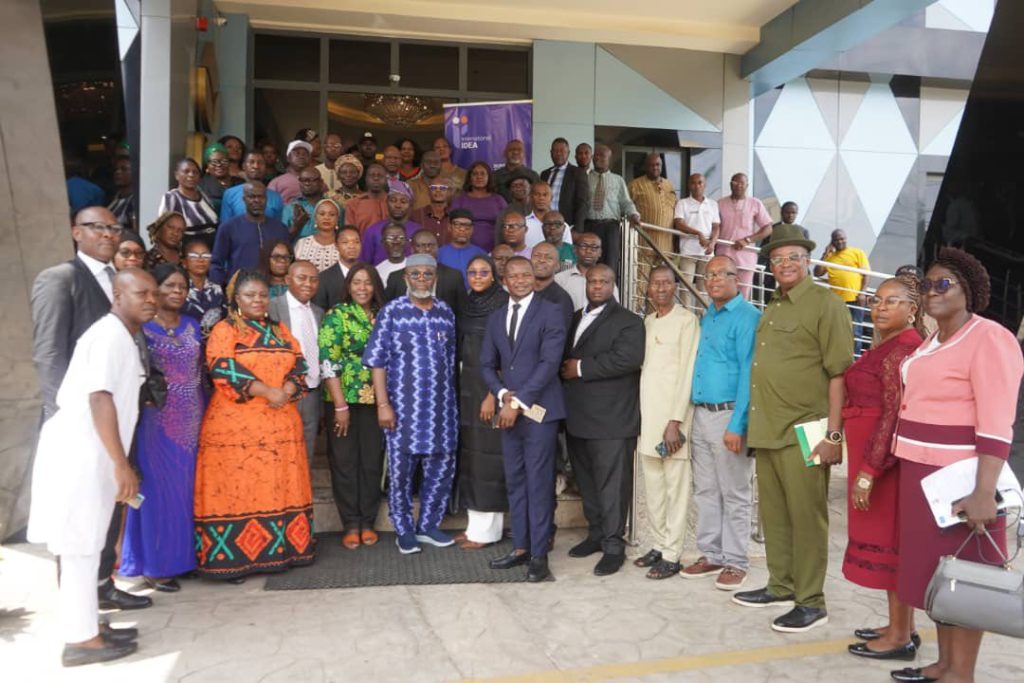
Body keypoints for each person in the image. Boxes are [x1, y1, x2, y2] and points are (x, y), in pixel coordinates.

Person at [888, 248, 1023, 683]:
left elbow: (997, 421)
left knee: (965, 577)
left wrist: (985, 492)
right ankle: (944, 663)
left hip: (962, 481)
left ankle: (960, 673)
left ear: (970, 290)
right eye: (926, 284)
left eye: (943, 283)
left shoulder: (989, 338)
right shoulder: (933, 339)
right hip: (922, 477)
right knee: (938, 575)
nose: (932, 291)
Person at [28, 268, 156, 666]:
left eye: (154, 293)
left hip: (95, 453)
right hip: (84, 454)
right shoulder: (107, 336)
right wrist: (122, 464)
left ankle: (89, 626)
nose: (150, 300)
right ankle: (82, 640)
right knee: (81, 548)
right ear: (118, 295)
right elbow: (99, 398)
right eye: (141, 293)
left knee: (88, 543)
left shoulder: (121, 335)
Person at [733, 224, 853, 633]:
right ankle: (781, 584)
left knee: (807, 517)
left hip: (809, 430)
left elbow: (839, 374)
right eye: (778, 258)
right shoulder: (775, 305)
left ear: (807, 261)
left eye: (793, 257)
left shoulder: (826, 304)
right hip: (769, 429)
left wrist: (834, 436)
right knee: (775, 515)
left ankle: (811, 600)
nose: (785, 264)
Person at [193, 269, 316, 580]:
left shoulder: (281, 331)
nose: (258, 300)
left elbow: (299, 363)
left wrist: (287, 389)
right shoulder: (224, 330)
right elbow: (222, 367)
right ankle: (233, 559)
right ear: (236, 299)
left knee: (278, 486)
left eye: (262, 295)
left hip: (281, 426)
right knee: (238, 488)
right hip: (236, 430)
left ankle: (282, 550)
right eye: (250, 295)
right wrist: (267, 391)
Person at [842, 275, 924, 661]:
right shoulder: (890, 345)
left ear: (912, 309)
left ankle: (899, 637)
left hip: (884, 465)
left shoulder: (903, 350)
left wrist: (868, 471)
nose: (880, 307)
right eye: (876, 300)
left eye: (892, 301)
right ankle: (901, 625)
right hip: (871, 455)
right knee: (890, 545)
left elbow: (893, 415)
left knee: (892, 547)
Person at [363, 254, 458, 554]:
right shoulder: (392, 312)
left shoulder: (446, 312)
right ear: (405, 278)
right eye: (415, 274)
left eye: (427, 274)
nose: (421, 279)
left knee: (441, 468)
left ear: (435, 278)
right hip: (402, 410)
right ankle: (403, 529)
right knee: (401, 472)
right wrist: (383, 405)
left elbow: (452, 360)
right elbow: (376, 362)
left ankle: (429, 525)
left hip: (442, 410)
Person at [480, 257, 568, 582]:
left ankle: (539, 554)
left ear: (534, 278)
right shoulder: (496, 317)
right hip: (510, 411)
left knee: (539, 481)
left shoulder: (551, 311)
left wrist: (516, 402)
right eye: (513, 275)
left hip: (539, 412)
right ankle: (520, 547)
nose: (519, 280)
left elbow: (549, 363)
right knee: (515, 479)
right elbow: (487, 364)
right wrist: (503, 395)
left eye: (525, 274)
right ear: (504, 280)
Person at [120, 264, 203, 592]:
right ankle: (155, 566)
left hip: (193, 417)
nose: (177, 292)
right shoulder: (140, 328)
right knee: (156, 493)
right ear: (155, 289)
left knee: (185, 492)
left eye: (182, 287)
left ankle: (182, 560)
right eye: (170, 285)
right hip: (157, 421)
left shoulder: (193, 325)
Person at [561, 264, 645, 576]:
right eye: (592, 281)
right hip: (578, 417)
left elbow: (627, 359)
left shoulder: (628, 321)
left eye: (604, 282)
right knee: (587, 482)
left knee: (612, 486)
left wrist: (580, 368)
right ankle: (596, 534)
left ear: (614, 285)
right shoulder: (574, 318)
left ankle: (613, 545)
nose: (597, 286)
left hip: (611, 420)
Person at [683, 256, 761, 589]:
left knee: (735, 492)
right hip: (701, 414)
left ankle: (736, 560)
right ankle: (712, 554)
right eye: (708, 274)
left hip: (729, 415)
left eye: (721, 274)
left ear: (737, 279)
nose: (713, 280)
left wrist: (738, 424)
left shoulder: (748, 317)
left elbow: (749, 373)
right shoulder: (708, 315)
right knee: (705, 490)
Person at [634, 265, 700, 580]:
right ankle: (659, 544)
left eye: (666, 283)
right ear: (647, 288)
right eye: (655, 283)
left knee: (676, 488)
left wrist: (675, 421)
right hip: (648, 419)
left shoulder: (687, 322)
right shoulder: (646, 322)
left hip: (672, 422)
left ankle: (673, 553)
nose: (660, 288)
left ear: (675, 287)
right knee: (654, 487)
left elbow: (687, 373)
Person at [319, 263, 386, 550]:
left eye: (367, 283)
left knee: (371, 462)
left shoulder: (384, 316)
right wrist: (340, 406)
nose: (362, 288)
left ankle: (368, 521)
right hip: (343, 401)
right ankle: (350, 523)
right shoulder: (337, 314)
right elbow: (328, 362)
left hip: (377, 401)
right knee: (345, 462)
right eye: (356, 282)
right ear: (348, 286)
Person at [455, 255, 510, 550]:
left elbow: (505, 353)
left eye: (483, 272)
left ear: (493, 275)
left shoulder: (502, 304)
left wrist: (493, 394)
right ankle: (474, 526)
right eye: (472, 272)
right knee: (472, 458)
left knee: (489, 460)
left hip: (489, 391)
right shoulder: (467, 303)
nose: (477, 277)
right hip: (467, 389)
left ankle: (488, 532)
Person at [268, 260, 324, 465]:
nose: (308, 284)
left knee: (306, 445)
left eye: (313, 279)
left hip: (312, 390)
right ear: (287, 280)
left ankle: (302, 493)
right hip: (282, 391)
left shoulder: (318, 312)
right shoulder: (272, 309)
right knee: (279, 446)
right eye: (302, 278)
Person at [209, 181, 289, 285]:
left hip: (273, 290)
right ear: (244, 199)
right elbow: (216, 263)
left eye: (261, 197)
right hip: (238, 288)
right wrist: (220, 290)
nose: (257, 200)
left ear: (266, 199)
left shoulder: (280, 228)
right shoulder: (229, 227)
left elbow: (287, 260)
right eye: (252, 197)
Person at [583, 144, 640, 278]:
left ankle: (610, 296)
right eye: (595, 155)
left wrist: (634, 214)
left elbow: (626, 202)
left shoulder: (618, 180)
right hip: (589, 226)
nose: (598, 158)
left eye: (602, 155)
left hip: (610, 228)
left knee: (610, 264)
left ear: (609, 158)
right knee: (589, 262)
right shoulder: (584, 178)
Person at [716, 173, 773, 299]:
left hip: (746, 258)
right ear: (730, 184)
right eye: (735, 182)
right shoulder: (720, 203)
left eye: (742, 183)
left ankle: (739, 319)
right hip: (724, 256)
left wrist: (748, 240)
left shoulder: (755, 203)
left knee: (742, 296)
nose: (738, 186)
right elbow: (714, 227)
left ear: (747, 185)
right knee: (723, 293)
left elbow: (768, 228)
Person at [813, 229, 870, 354]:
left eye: (842, 238)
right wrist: (825, 253)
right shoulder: (830, 257)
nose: (840, 241)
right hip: (837, 301)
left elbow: (866, 274)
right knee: (836, 331)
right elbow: (817, 272)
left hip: (855, 299)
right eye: (837, 239)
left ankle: (854, 361)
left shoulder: (857, 252)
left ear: (846, 238)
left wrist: (863, 293)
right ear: (832, 241)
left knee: (855, 331)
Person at [383, 229, 467, 313]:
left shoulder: (454, 276)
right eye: (422, 245)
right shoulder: (395, 278)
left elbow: (462, 312)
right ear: (412, 249)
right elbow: (386, 309)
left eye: (431, 245)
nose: (427, 249)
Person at [673, 173, 721, 306]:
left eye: (700, 183)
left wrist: (713, 243)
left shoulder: (713, 204)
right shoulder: (682, 203)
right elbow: (679, 223)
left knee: (704, 290)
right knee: (685, 288)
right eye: (693, 183)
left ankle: (702, 320)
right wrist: (698, 234)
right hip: (688, 252)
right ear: (689, 185)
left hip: (706, 253)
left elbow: (716, 226)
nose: (697, 186)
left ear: (705, 185)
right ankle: (687, 319)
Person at [158, 158, 219, 247]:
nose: (191, 175)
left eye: (195, 172)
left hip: (210, 251)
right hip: (187, 253)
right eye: (186, 171)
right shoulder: (171, 197)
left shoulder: (204, 196)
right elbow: (163, 230)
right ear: (176, 175)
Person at [359, 180, 421, 265]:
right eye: (393, 200)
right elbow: (363, 263)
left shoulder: (418, 231)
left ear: (410, 204)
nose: (398, 205)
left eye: (403, 202)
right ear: (387, 202)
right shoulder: (373, 231)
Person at [627, 153, 677, 257]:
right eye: (651, 165)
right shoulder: (635, 185)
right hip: (644, 246)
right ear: (645, 167)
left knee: (664, 273)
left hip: (665, 248)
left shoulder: (669, 185)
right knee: (643, 273)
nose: (655, 167)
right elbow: (626, 207)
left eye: (657, 164)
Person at [451, 161, 508, 252]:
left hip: (494, 251)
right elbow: (452, 227)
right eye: (475, 174)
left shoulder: (498, 200)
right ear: (470, 178)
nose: (479, 177)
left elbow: (507, 226)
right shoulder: (460, 200)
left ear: (488, 177)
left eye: (483, 174)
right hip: (464, 250)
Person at [554, 233, 619, 312]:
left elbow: (614, 311)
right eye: (584, 246)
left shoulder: (607, 281)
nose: (588, 251)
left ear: (600, 252)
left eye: (594, 247)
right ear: (575, 250)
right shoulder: (560, 279)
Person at [219, 151, 285, 224]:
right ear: (244, 166)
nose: (256, 166)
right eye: (251, 162)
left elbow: (278, 229)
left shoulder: (276, 197)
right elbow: (225, 227)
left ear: (265, 167)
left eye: (260, 162)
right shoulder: (230, 194)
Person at [540, 138, 589, 229]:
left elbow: (582, 203)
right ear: (551, 153)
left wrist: (577, 228)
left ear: (568, 153)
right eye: (555, 151)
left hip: (567, 226)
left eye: (562, 151)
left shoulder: (578, 173)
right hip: (545, 223)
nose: (558, 154)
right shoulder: (544, 174)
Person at [181, 239, 225, 337]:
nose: (200, 260)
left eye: (205, 256)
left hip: (214, 344)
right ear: (184, 262)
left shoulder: (217, 289)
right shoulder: (179, 288)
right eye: (194, 256)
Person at [313, 226, 361, 311]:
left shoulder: (369, 274)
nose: (352, 246)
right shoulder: (324, 278)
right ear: (336, 245)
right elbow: (318, 313)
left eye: (356, 242)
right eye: (345, 242)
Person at [437, 208, 486, 286]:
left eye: (467, 225)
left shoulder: (481, 254)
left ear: (472, 229)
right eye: (457, 225)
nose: (462, 229)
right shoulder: (439, 254)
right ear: (449, 227)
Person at [531, 242, 574, 327]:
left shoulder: (561, 299)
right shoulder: (520, 292)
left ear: (557, 266)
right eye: (537, 256)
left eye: (549, 258)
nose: (541, 260)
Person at [293, 199, 342, 272]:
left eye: (332, 214)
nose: (326, 217)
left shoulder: (343, 245)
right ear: (315, 218)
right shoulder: (302, 243)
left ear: (337, 219)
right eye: (322, 214)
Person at [284, 166, 329, 241]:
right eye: (303, 180)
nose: (307, 183)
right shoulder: (289, 208)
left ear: (321, 182)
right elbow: (282, 240)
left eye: (312, 180)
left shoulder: (332, 207)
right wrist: (297, 225)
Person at [523, 181, 572, 249]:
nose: (541, 198)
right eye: (537, 194)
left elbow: (567, 251)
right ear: (530, 197)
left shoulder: (562, 226)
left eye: (545, 195)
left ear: (551, 198)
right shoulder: (523, 224)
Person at [198, 143, 242, 214]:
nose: (219, 165)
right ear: (207, 166)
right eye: (214, 162)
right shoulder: (200, 186)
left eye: (224, 161)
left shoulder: (240, 183)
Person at [346, 163, 390, 233]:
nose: (376, 178)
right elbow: (350, 232)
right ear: (366, 179)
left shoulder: (394, 203)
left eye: (380, 175)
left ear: (386, 179)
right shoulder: (353, 204)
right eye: (372, 175)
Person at [409, 175, 452, 244]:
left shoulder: (455, 216)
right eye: (434, 188)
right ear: (428, 191)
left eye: (442, 188)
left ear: (449, 192)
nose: (438, 191)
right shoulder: (415, 215)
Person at [268, 140, 312, 205]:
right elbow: (269, 208)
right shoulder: (276, 183)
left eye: (305, 154)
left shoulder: (316, 181)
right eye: (297, 153)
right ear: (288, 158)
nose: (301, 156)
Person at [107, 155, 136, 232]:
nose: (118, 172)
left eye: (124, 169)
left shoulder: (134, 201)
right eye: (116, 169)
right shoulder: (115, 198)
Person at [316, 133, 346, 197]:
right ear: (324, 148)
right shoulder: (316, 170)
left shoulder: (347, 172)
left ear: (342, 149)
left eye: (337, 146)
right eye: (329, 146)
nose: (333, 149)